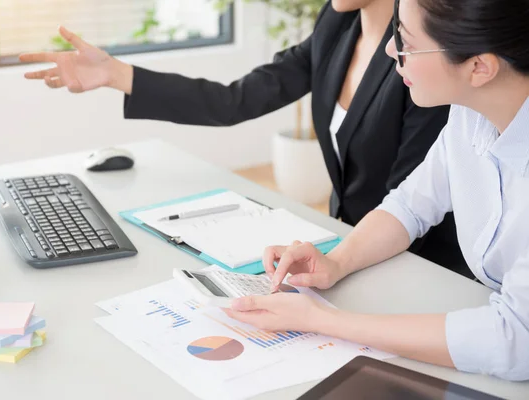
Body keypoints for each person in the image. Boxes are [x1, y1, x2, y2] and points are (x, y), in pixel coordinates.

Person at [18, 1, 469, 277]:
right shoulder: (337, 26)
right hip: (343, 246)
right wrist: (116, 74)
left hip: (420, 261)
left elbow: (413, 203)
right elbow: (234, 101)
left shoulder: (425, 59)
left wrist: (341, 263)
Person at [222, 0, 529, 381]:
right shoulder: (470, 115)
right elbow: (410, 206)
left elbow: (514, 340)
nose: (389, 50)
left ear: (479, 67)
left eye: (407, 42)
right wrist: (336, 261)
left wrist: (327, 321)